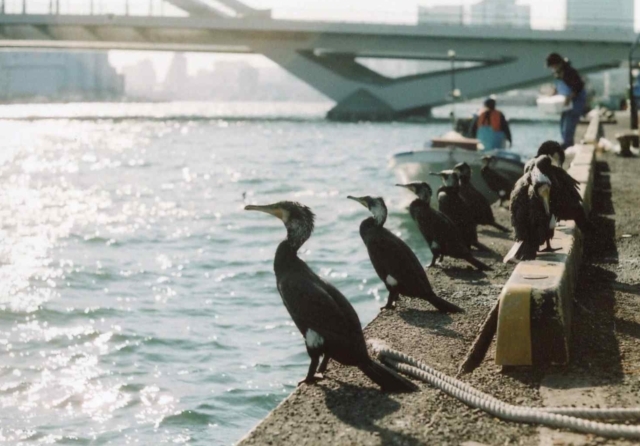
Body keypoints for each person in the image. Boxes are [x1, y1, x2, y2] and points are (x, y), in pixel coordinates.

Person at [546, 52, 587, 150]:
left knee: (569, 126)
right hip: (566, 103)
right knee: (563, 124)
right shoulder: (558, 73)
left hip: (575, 101)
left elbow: (578, 87)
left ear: (558, 64)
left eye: (553, 66)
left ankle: (568, 145)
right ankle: (566, 144)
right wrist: (554, 92)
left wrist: (570, 97)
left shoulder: (569, 72)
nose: (553, 68)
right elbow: (558, 86)